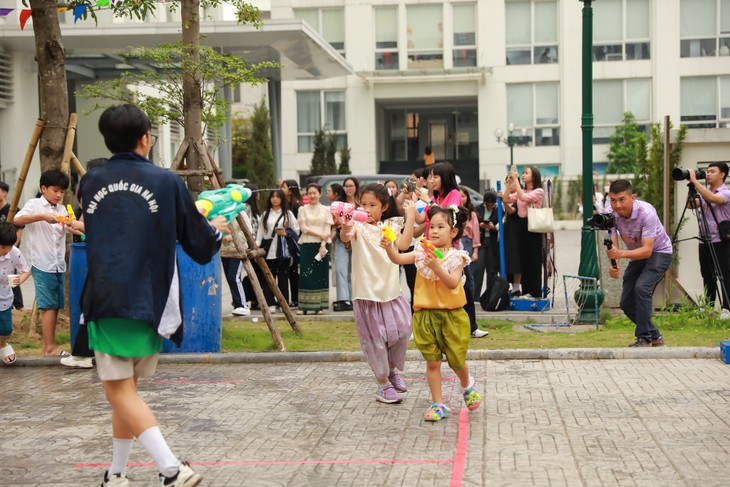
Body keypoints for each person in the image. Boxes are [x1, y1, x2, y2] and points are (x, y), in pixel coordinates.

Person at [79, 104, 227, 486]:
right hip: (152, 299)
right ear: (146, 138)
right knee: (126, 390)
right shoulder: (166, 181)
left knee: (120, 392)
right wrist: (215, 229)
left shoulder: (90, 181)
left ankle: (171, 469)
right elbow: (197, 242)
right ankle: (116, 474)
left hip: (108, 296)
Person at [383, 206, 481, 421]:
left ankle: (467, 385)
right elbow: (398, 259)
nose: (434, 231)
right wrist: (389, 247)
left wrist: (437, 267)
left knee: (456, 360)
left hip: (452, 316)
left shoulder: (457, 256)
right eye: (431, 227)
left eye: (440, 227)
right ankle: (438, 404)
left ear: (453, 232)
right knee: (432, 362)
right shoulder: (420, 252)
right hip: (425, 315)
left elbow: (453, 282)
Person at [340, 183, 415, 404]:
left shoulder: (389, 226)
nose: (366, 208)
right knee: (376, 341)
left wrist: (410, 216)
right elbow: (346, 236)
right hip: (367, 295)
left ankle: (391, 371)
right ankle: (382, 384)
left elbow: (402, 243)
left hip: (392, 292)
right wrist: (345, 226)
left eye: (372, 205)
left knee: (401, 332)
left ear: (384, 207)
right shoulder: (357, 226)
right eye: (363, 204)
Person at [14, 168, 83, 360]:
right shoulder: (35, 204)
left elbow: (74, 230)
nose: (59, 195)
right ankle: (49, 347)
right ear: (43, 188)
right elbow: (16, 219)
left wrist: (72, 225)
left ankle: (49, 346)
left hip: (58, 264)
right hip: (42, 263)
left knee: (55, 305)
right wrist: (42, 217)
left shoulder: (62, 209)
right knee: (49, 306)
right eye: (55, 190)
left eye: (62, 191)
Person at [604, 179, 672, 347]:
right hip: (636, 254)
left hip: (659, 252)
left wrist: (621, 254)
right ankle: (654, 335)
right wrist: (614, 263)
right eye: (613, 200)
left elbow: (647, 250)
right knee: (626, 302)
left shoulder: (647, 212)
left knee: (642, 288)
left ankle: (645, 338)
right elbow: (612, 241)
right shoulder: (609, 213)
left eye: (622, 199)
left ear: (632, 197)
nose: (617, 205)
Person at [688, 163, 730, 319]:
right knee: (707, 274)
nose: (708, 174)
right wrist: (692, 187)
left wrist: (695, 181)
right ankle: (708, 306)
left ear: (722, 175)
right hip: (704, 240)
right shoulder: (704, 192)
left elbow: (713, 199)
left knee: (725, 274)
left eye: (712, 171)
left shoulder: (726, 193)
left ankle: (727, 308)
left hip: (721, 240)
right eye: (707, 171)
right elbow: (690, 205)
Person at [501, 165, 544, 298]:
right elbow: (506, 199)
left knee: (534, 259)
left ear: (534, 177)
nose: (523, 175)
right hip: (521, 225)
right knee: (524, 259)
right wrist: (509, 182)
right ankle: (526, 291)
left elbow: (523, 198)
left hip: (533, 225)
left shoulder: (538, 191)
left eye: (526, 173)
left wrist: (516, 180)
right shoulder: (522, 191)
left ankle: (536, 291)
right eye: (523, 173)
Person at [255, 189, 300, 312]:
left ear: (282, 199)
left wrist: (286, 233)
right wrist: (257, 245)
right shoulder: (265, 214)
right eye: (272, 196)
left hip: (283, 251)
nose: (275, 199)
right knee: (268, 278)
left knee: (283, 278)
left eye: (277, 197)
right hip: (268, 250)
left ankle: (283, 303)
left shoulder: (288, 214)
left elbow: (296, 229)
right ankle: (270, 303)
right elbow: (260, 231)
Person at [297, 183, 333, 314]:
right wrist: (320, 234)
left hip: (322, 245)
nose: (312, 195)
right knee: (306, 274)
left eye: (315, 193)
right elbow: (304, 228)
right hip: (307, 244)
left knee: (320, 274)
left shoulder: (327, 209)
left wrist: (323, 245)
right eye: (309, 193)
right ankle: (304, 306)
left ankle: (319, 306)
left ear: (320, 194)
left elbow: (327, 229)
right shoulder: (302, 209)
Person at [0, 223, 30, 365]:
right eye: (2, 247)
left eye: (9, 247)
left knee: (6, 328)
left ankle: (2, 344)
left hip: (5, 298)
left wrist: (20, 280)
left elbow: (26, 270)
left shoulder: (15, 253)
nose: (6, 251)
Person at [460, 188, 488, 338]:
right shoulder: (451, 211)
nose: (461, 198)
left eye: (463, 195)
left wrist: (476, 251)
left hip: (468, 244)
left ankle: (472, 327)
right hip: (455, 245)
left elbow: (476, 232)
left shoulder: (472, 214)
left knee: (469, 280)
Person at [332, 177, 360, 311]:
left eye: (351, 186)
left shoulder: (361, 203)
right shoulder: (338, 204)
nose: (349, 188)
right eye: (346, 186)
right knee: (340, 269)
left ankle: (354, 298)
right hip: (341, 239)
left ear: (356, 187)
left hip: (356, 240)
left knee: (354, 271)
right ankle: (343, 299)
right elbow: (333, 221)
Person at [221, 205, 253, 317]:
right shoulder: (219, 213)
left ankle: (242, 305)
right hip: (225, 250)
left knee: (234, 277)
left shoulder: (240, 212)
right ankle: (237, 304)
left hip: (238, 250)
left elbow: (248, 232)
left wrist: (232, 237)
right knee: (230, 278)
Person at [0, 181, 25, 310]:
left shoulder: (13, 209)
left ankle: (18, 305)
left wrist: (10, 248)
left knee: (13, 278)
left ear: (5, 192)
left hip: (10, 249)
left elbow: (19, 231)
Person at [279, 179, 303, 308]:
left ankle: (296, 298)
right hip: (282, 240)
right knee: (286, 270)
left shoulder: (297, 205)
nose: (282, 189)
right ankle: (288, 298)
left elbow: (298, 226)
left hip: (293, 240)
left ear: (291, 189)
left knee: (293, 271)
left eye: (284, 187)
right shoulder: (284, 203)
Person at [474, 191, 499, 300]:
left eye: (492, 203)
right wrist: (480, 225)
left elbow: (500, 224)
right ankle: (475, 296)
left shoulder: (498, 210)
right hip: (481, 241)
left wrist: (493, 228)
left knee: (492, 270)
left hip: (493, 241)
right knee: (478, 269)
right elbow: (474, 222)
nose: (489, 205)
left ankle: (490, 296)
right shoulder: (478, 209)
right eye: (487, 203)